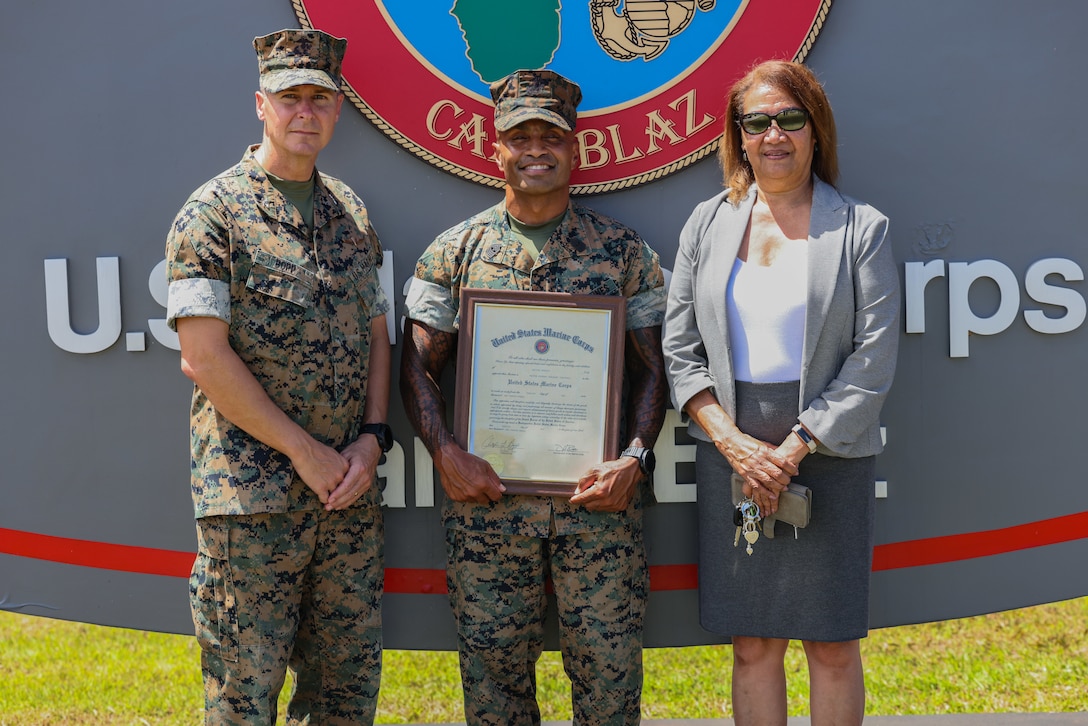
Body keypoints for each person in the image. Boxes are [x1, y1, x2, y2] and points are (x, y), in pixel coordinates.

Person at [399, 69, 667, 726]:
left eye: (552, 135)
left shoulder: (623, 253)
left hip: (597, 508)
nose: (537, 149)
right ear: (498, 148)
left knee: (608, 691)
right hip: (488, 509)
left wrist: (633, 457)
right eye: (521, 137)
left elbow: (655, 370)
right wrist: (445, 453)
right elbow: (415, 367)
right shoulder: (455, 254)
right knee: (494, 695)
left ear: (575, 149)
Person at [661, 60, 900, 726]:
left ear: (814, 129)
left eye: (789, 118)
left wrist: (791, 449)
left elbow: (873, 361)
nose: (774, 135)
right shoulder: (707, 225)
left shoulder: (861, 229)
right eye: (757, 121)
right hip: (730, 451)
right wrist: (735, 444)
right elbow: (679, 351)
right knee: (752, 642)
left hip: (827, 451)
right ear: (737, 136)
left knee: (830, 645)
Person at [165, 29, 393, 725]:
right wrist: (305, 450)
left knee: (346, 696)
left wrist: (374, 438)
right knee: (244, 699)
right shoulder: (212, 215)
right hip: (252, 506)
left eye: (319, 98)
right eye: (290, 97)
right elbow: (202, 358)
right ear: (260, 104)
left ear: (337, 110)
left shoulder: (350, 214)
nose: (305, 111)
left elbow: (380, 336)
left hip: (345, 502)